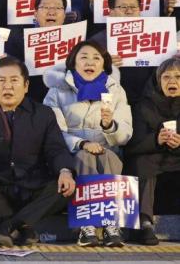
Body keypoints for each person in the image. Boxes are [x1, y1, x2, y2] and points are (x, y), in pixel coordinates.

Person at [0, 57, 76, 247]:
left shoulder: (43, 114)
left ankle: (8, 226)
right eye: (2, 81)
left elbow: (55, 149)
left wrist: (65, 171)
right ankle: (23, 226)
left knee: (65, 188)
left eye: (14, 80)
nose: (8, 86)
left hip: (33, 186)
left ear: (26, 85)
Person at [43, 41, 131, 247]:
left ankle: (110, 225)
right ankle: (88, 225)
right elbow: (54, 133)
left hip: (107, 151)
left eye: (96, 58)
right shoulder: (57, 91)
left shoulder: (116, 91)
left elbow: (125, 134)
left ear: (104, 65)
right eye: (83, 57)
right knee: (85, 156)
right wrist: (82, 143)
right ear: (73, 62)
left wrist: (109, 126)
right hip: (70, 152)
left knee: (107, 156)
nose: (89, 62)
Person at [125, 58, 180, 246]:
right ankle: (145, 223)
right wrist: (156, 140)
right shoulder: (143, 105)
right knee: (143, 163)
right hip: (153, 159)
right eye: (166, 77)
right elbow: (132, 145)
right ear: (158, 80)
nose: (172, 81)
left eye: (178, 76)